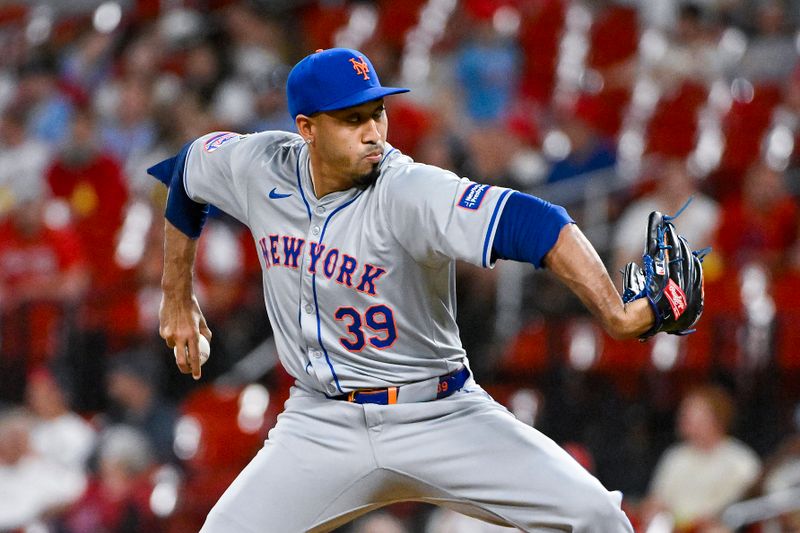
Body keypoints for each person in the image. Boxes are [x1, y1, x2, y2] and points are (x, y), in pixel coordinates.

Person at [150, 47, 661, 532]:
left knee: (596, 518)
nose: (373, 132)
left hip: (438, 414)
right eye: (352, 119)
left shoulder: (409, 189)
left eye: (378, 112)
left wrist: (616, 314)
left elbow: (539, 222)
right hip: (321, 424)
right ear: (305, 128)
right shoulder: (259, 167)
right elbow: (187, 173)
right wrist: (177, 297)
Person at [639, 385, 761, 532]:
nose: (684, 418)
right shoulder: (675, 456)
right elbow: (656, 499)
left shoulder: (741, 461)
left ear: (717, 417)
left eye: (692, 413)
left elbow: (735, 509)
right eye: (684, 413)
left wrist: (699, 522)